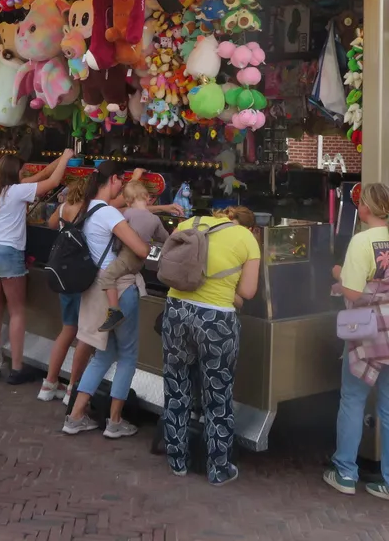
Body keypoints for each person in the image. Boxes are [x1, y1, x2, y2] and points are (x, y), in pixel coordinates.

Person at [325, 184, 389, 507]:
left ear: (365, 208)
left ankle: (344, 473)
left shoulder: (360, 241)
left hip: (368, 331)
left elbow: (353, 294)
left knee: (353, 399)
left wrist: (339, 275)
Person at [157, 204, 261, 483]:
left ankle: (177, 460)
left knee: (176, 386)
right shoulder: (246, 238)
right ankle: (218, 468)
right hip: (216, 320)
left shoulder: (188, 223)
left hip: (176, 310)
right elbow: (248, 292)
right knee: (217, 394)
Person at [61, 162, 151, 440]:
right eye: (120, 183)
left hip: (95, 289)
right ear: (112, 180)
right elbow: (140, 249)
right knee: (127, 356)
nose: (122, 189)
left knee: (102, 355)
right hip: (121, 288)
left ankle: (75, 416)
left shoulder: (85, 208)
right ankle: (114, 421)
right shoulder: (109, 213)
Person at [0, 150, 72, 384]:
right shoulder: (18, 191)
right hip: (9, 253)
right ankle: (17, 368)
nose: (25, 173)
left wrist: (58, 160)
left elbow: (42, 175)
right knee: (17, 310)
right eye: (22, 170)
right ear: (14, 172)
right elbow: (52, 182)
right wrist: (68, 158)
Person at [38, 185, 92, 403]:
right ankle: (73, 388)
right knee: (85, 334)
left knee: (68, 328)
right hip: (80, 276)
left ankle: (49, 383)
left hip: (63, 274)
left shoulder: (62, 208)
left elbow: (50, 225)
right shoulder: (89, 209)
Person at [98, 179, 170, 332]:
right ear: (147, 197)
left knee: (107, 276)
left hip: (126, 256)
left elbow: (118, 231)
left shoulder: (128, 213)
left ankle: (114, 311)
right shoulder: (155, 219)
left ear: (128, 202)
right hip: (139, 262)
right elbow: (165, 239)